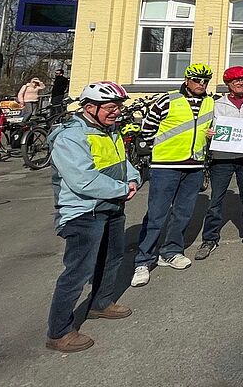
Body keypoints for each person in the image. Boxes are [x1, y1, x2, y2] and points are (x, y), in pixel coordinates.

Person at [45, 81, 139, 353]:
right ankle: (59, 331)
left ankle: (100, 303)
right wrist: (123, 189)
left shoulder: (109, 131)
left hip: (110, 207)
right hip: (83, 212)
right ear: (90, 107)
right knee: (78, 271)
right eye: (111, 107)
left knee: (112, 258)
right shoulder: (70, 137)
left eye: (118, 107)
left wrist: (132, 178)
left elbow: (124, 162)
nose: (116, 112)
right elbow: (82, 180)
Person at [131, 63, 215, 287]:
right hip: (165, 165)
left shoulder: (209, 102)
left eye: (205, 81)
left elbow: (208, 129)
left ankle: (171, 251)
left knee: (183, 213)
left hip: (194, 165)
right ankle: (143, 260)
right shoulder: (168, 100)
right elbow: (148, 129)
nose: (201, 84)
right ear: (187, 80)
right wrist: (152, 155)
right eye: (197, 80)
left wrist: (210, 135)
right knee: (156, 214)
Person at [194, 66, 243, 260]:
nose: (240, 83)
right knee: (215, 200)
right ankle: (209, 239)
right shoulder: (217, 104)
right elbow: (208, 127)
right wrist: (209, 133)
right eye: (236, 81)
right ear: (228, 85)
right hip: (222, 159)